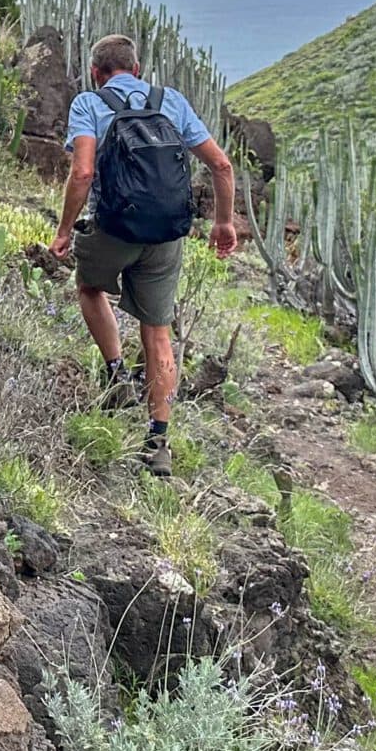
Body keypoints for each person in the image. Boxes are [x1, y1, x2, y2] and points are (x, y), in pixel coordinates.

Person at [45, 33, 238, 475]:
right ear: (137, 70)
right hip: (166, 235)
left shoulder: (89, 104)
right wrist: (223, 223)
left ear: (96, 72)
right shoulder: (170, 100)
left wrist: (62, 232)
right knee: (159, 335)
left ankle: (116, 373)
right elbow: (222, 165)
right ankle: (158, 443)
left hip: (113, 228)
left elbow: (84, 170)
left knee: (90, 287)